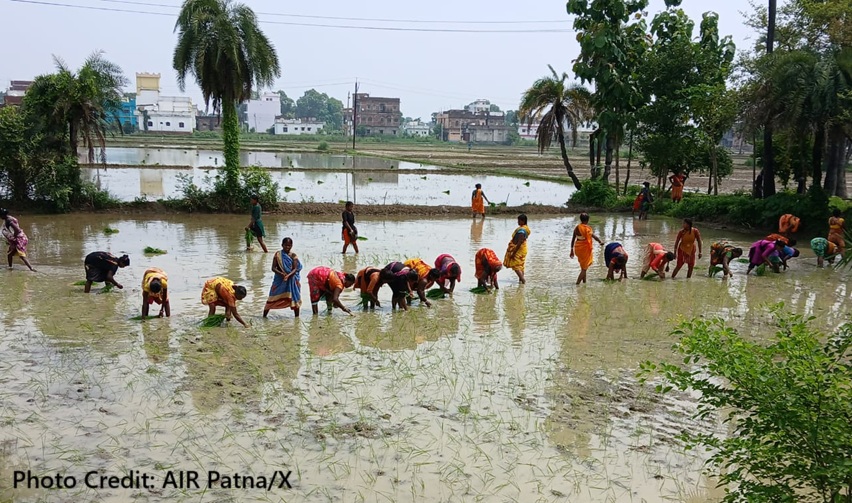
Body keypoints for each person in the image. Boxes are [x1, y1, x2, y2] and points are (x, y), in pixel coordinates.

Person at [263, 237, 302, 318]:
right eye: (286, 245)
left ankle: (297, 319)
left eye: (289, 245)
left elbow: (295, 269)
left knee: (294, 298)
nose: (287, 247)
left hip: (291, 280)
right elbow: (273, 268)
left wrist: (288, 275)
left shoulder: (293, 256)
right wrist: (282, 274)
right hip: (279, 280)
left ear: (291, 245)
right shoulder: (277, 255)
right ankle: (264, 317)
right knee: (272, 297)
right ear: (282, 245)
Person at [570, 213, 603, 285]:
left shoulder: (577, 228)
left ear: (580, 219)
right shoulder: (587, 228)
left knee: (583, 266)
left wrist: (571, 250)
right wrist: (600, 241)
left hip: (578, 248)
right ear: (587, 220)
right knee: (584, 268)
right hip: (585, 249)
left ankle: (584, 282)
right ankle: (577, 284)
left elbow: (573, 239)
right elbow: (594, 236)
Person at [503, 214, 531, 284]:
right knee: (520, 265)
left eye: (519, 220)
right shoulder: (525, 228)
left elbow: (520, 242)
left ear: (523, 221)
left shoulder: (521, 231)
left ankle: (523, 280)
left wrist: (514, 252)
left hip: (519, 249)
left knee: (516, 266)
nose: (518, 222)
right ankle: (520, 282)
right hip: (523, 248)